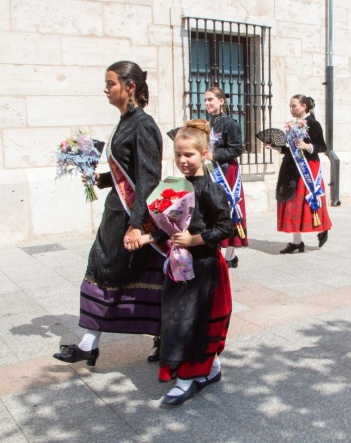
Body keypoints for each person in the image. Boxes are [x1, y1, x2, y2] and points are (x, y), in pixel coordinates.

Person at [53, 61, 164, 366]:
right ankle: (90, 342)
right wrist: (99, 179)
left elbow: (148, 178)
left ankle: (162, 337)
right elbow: (125, 171)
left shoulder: (143, 125)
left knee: (139, 274)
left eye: (110, 83)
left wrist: (136, 225)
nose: (105, 89)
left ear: (129, 87)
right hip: (117, 212)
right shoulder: (124, 121)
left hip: (131, 217)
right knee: (104, 269)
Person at [138, 120, 234, 405]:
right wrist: (147, 237)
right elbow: (170, 226)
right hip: (179, 267)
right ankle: (207, 368)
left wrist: (196, 240)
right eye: (178, 154)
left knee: (192, 321)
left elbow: (226, 227)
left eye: (189, 154)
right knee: (177, 319)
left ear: (204, 154)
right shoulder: (175, 187)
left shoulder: (211, 190)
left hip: (204, 268)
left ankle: (188, 378)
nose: (182, 160)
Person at [265, 95, 332, 253]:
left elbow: (322, 146)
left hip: (307, 168)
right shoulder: (292, 125)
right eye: (290, 106)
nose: (291, 109)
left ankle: (323, 227)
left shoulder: (313, 123)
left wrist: (307, 146)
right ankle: (296, 242)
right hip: (292, 167)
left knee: (307, 202)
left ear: (304, 106)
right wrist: (275, 147)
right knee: (293, 204)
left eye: (294, 106)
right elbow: (291, 149)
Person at [205, 87, 248, 268]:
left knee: (228, 207)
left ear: (221, 101)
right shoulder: (208, 123)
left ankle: (230, 254)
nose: (207, 103)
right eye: (205, 100)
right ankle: (217, 248)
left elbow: (237, 148)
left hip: (225, 171)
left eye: (211, 100)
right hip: (211, 169)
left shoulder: (230, 123)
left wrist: (214, 155)